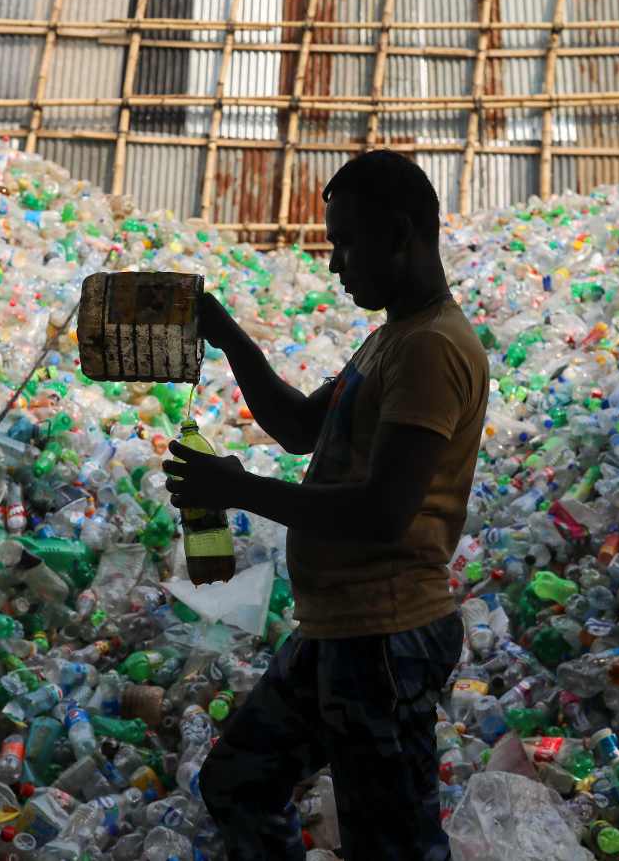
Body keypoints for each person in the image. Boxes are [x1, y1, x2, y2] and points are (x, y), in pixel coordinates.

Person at [162, 149, 489, 861]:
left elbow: (382, 513)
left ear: (400, 235)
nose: (336, 262)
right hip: (340, 630)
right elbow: (299, 428)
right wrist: (226, 336)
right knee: (238, 783)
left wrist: (236, 489)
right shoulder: (391, 340)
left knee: (393, 845)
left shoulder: (431, 350)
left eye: (346, 241)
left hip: (386, 635)